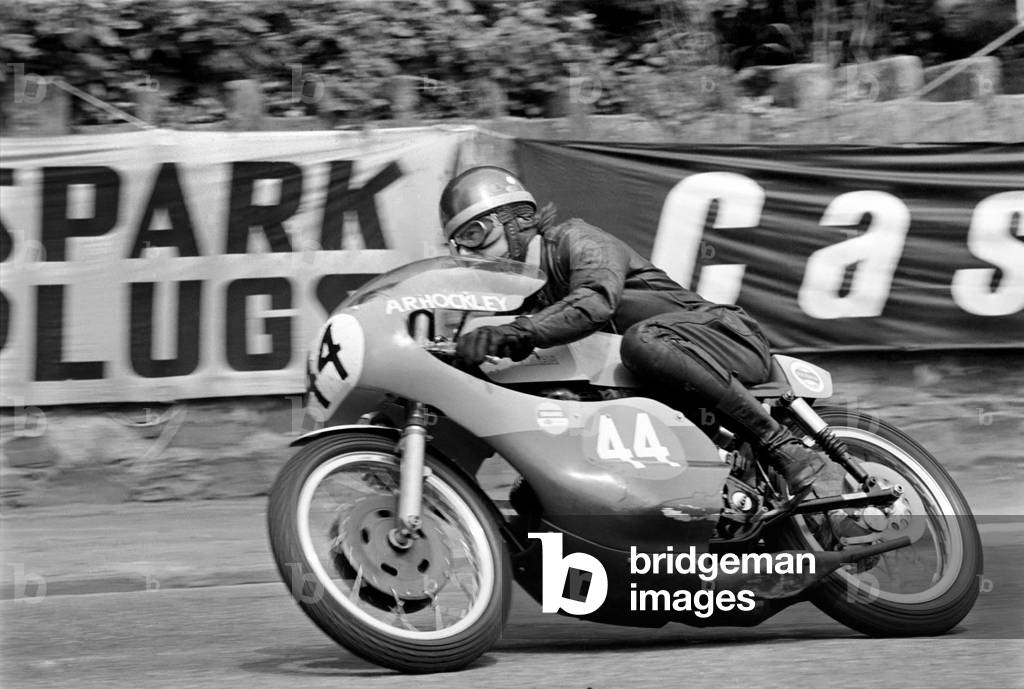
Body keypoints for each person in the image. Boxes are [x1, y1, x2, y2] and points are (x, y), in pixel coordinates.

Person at [439, 165, 824, 495]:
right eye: (460, 245)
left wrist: (514, 333)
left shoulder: (576, 239)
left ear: (518, 219)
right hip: (661, 389)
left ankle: (782, 445)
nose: (470, 254)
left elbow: (593, 302)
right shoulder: (526, 301)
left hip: (725, 338)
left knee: (643, 341)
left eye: (475, 235)